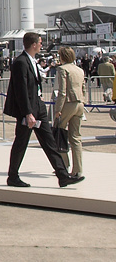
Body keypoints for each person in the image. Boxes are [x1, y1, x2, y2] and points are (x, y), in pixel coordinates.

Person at [3, 32, 82, 188]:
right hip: (29, 110)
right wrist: (28, 113)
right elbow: (21, 91)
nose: (41, 45)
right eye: (40, 42)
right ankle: (13, 176)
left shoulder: (32, 61)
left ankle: (62, 175)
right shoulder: (21, 62)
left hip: (38, 106)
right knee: (21, 143)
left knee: (49, 142)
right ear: (33, 44)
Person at [54, 46, 86, 180]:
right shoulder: (79, 70)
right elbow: (83, 88)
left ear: (62, 57)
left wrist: (58, 110)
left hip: (68, 103)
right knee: (76, 138)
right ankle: (78, 170)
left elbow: (62, 91)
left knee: (59, 134)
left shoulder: (62, 69)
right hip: (79, 103)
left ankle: (63, 166)